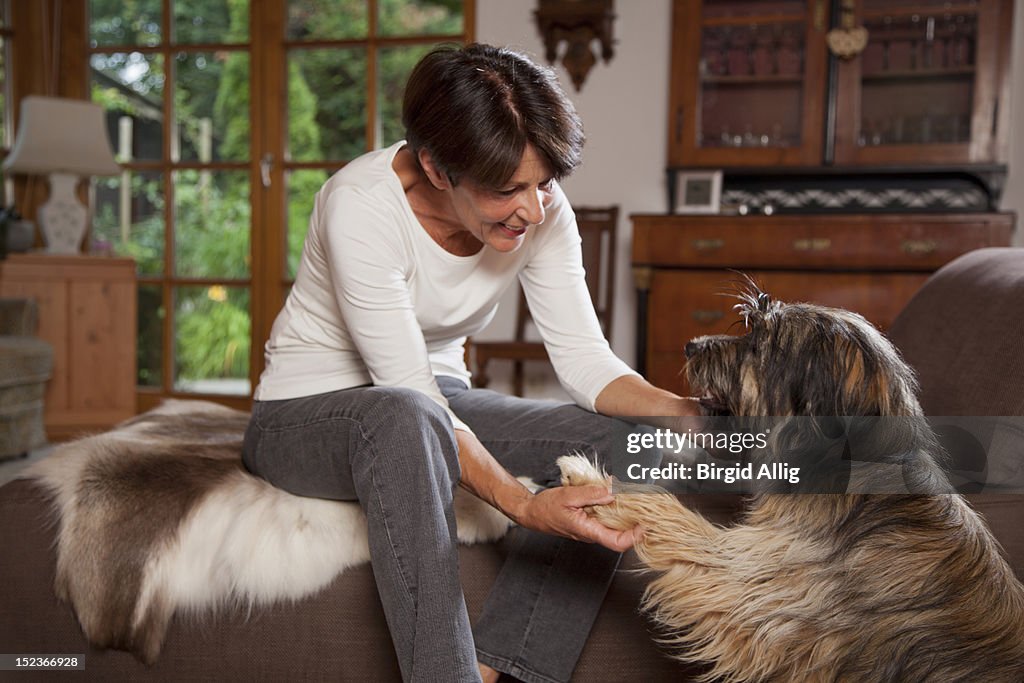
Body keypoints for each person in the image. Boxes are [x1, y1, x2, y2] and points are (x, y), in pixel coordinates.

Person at [242, 43, 700, 683]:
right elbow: (411, 399)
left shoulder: (539, 212)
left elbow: (584, 360)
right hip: (305, 415)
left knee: (632, 443)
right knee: (404, 419)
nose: (533, 210)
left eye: (543, 184)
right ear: (434, 166)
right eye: (506, 189)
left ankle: (498, 668)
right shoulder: (360, 206)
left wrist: (688, 415)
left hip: (435, 402)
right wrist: (519, 502)